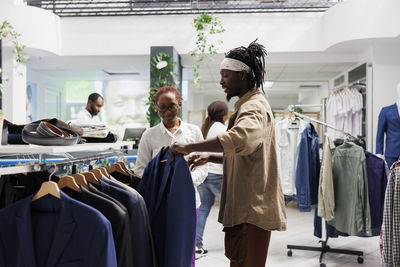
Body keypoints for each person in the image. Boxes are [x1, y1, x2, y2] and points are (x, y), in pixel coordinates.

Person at [172, 40, 287, 267]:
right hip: (247, 208)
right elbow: (248, 152)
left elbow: (240, 139)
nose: (221, 81)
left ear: (242, 75)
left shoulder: (253, 106)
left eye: (226, 75)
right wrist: (211, 157)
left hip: (251, 209)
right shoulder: (248, 104)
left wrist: (191, 147)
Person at [134, 85, 207, 267]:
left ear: (179, 104)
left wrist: (182, 183)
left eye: (172, 106)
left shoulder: (193, 132)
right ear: (156, 107)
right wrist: (161, 180)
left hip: (188, 202)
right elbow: (140, 170)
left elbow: (203, 167)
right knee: (160, 250)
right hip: (158, 203)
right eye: (162, 107)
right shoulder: (149, 136)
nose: (167, 112)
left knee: (185, 251)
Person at [195, 100, 228, 259]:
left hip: (205, 173)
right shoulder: (222, 128)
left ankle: (197, 244)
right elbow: (225, 153)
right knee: (230, 210)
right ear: (224, 114)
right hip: (218, 175)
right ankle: (236, 243)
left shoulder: (206, 128)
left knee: (202, 210)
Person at [376, 82, 400, 168]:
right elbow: (380, 134)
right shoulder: (386, 111)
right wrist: (379, 153)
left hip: (392, 152)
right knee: (391, 179)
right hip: (392, 153)